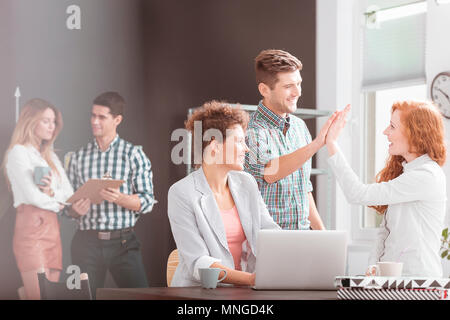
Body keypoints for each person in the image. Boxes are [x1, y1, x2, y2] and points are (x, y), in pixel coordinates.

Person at [168, 100, 281, 287]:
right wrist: (251, 280)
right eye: (239, 141)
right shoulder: (181, 193)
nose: (246, 149)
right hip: (200, 292)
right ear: (215, 146)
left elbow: (269, 232)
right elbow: (199, 262)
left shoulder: (247, 183)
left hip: (246, 289)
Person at [326, 101, 446, 277]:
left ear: (415, 133)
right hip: (392, 280)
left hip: (416, 281)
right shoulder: (408, 174)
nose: (385, 132)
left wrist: (331, 144)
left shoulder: (426, 175)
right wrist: (373, 267)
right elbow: (385, 231)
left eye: (392, 126)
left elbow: (358, 194)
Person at [67, 91, 155, 297]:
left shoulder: (133, 154)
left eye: (101, 117)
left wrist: (120, 198)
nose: (94, 121)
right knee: (84, 297)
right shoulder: (79, 157)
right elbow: (67, 206)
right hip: (86, 243)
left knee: (141, 296)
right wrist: (74, 210)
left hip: (123, 243)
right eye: (92, 115)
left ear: (117, 120)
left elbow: (148, 201)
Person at [244, 49, 337, 230]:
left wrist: (322, 234)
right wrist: (317, 144)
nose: (297, 92)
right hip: (267, 239)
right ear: (265, 90)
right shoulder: (251, 129)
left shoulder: (299, 127)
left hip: (302, 236)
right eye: (288, 86)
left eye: (299, 84)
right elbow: (269, 174)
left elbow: (304, 188)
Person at [2, 98, 74, 299]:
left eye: (53, 122)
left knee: (49, 294)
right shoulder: (18, 152)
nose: (52, 126)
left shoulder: (49, 155)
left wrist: (52, 194)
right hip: (31, 229)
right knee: (37, 295)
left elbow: (68, 194)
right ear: (30, 122)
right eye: (46, 121)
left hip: (52, 229)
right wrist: (56, 200)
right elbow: (32, 197)